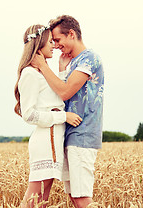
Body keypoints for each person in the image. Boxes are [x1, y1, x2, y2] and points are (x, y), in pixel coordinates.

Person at [31, 15, 104, 208]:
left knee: (82, 198)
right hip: (71, 135)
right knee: (75, 197)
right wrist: (62, 70)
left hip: (83, 135)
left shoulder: (89, 58)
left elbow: (64, 92)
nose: (55, 45)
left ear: (71, 34)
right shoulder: (74, 62)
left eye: (57, 40)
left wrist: (44, 67)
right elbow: (63, 95)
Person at [14, 24, 83, 208]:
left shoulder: (41, 73)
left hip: (53, 140)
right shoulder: (30, 73)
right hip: (46, 141)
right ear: (39, 43)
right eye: (50, 41)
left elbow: (56, 96)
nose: (54, 45)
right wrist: (63, 117)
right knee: (33, 199)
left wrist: (61, 70)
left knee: (42, 200)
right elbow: (28, 115)